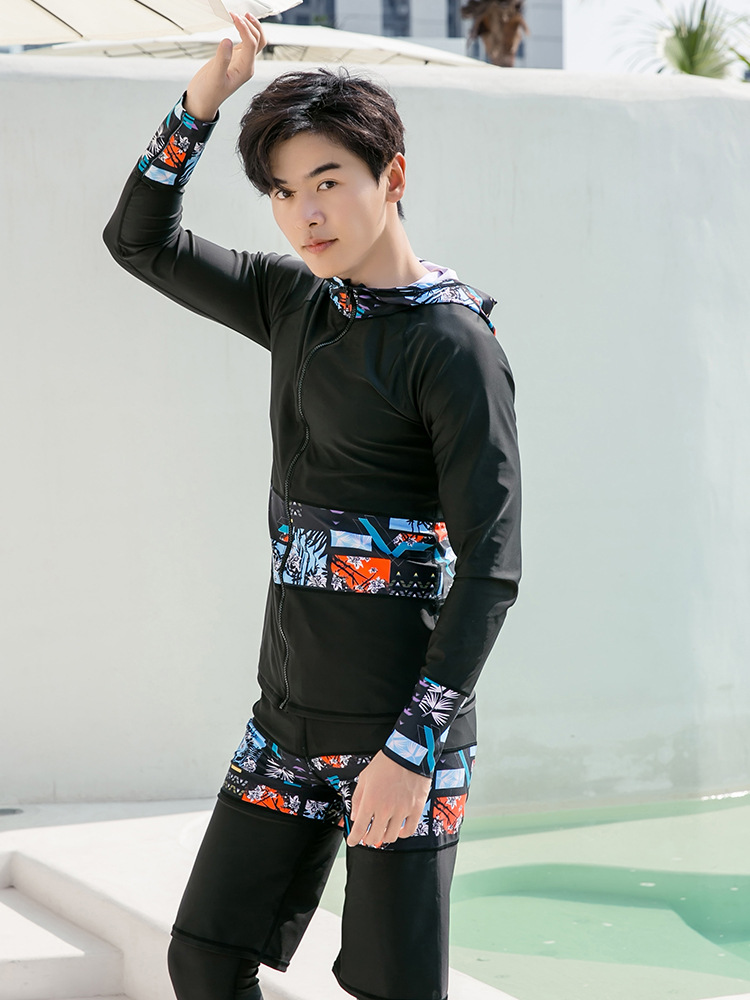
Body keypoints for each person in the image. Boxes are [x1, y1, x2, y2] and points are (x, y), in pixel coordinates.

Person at [102, 12, 521, 1000]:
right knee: (204, 958)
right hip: (283, 723)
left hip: (401, 732)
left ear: (392, 177)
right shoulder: (293, 301)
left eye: (327, 182)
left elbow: (492, 565)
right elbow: (138, 240)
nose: (304, 214)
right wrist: (202, 105)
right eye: (284, 193)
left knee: (391, 988)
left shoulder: (454, 346)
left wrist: (411, 750)